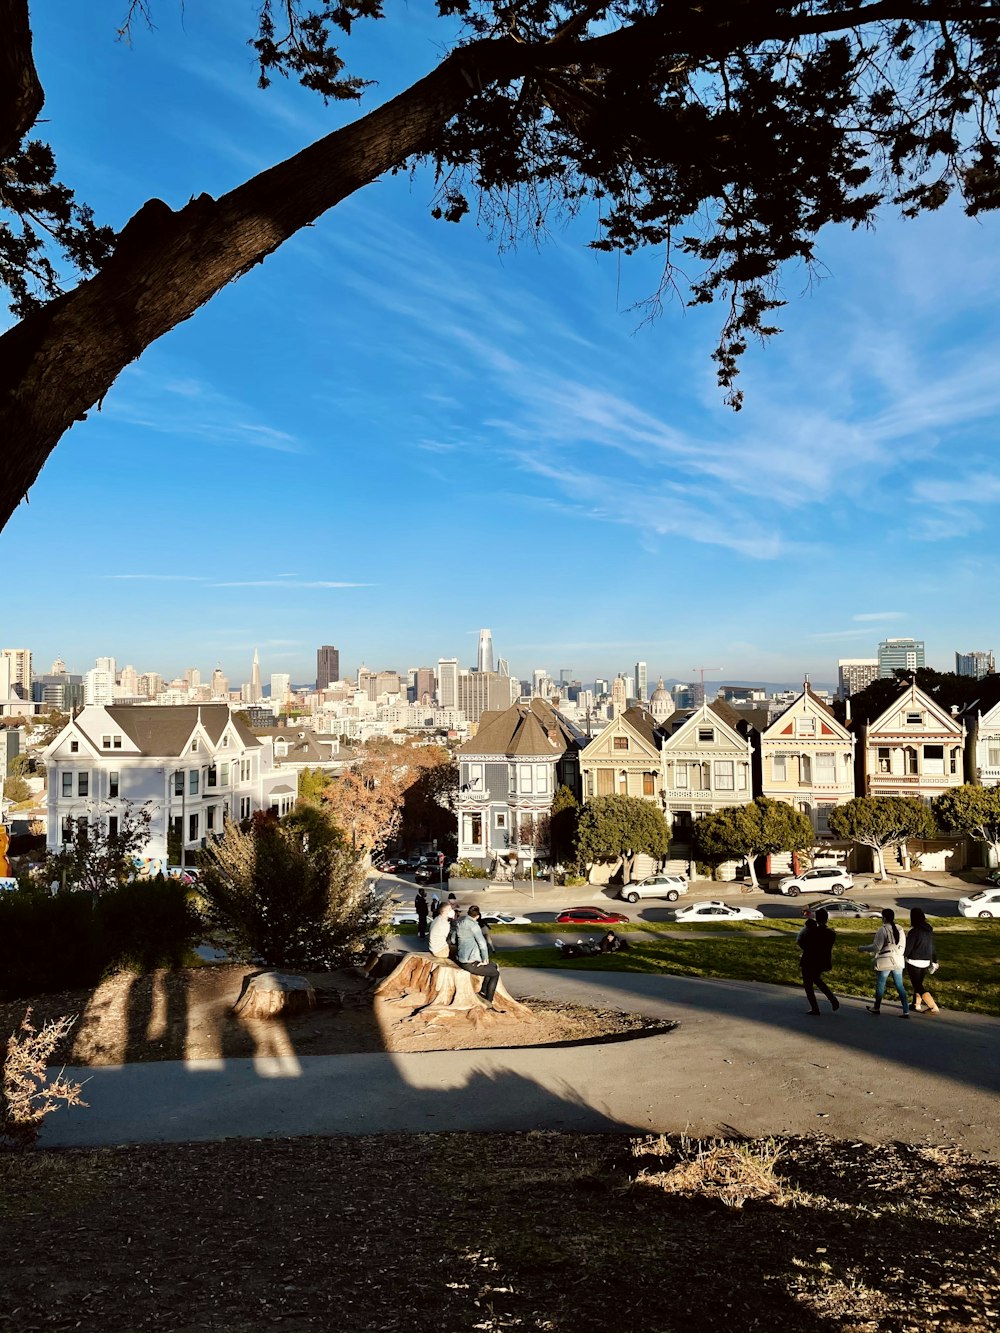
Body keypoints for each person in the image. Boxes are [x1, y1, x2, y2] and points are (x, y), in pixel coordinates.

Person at [858, 907, 909, 1016]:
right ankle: (906, 1010)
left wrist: (862, 948)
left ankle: (877, 1007)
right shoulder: (900, 929)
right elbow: (903, 946)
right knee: (900, 986)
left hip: (886, 961)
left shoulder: (882, 929)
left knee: (881, 984)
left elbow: (876, 947)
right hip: (898, 960)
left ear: (884, 918)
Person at [453, 905, 501, 1005]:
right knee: (495, 974)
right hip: (470, 962)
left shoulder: (460, 923)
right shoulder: (474, 926)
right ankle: (489, 1001)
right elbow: (482, 944)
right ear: (478, 916)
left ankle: (483, 991)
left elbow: (453, 939)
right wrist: (484, 959)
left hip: (461, 958)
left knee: (493, 966)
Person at [797, 908, 840, 1015]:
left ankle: (815, 1008)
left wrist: (808, 928)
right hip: (821, 961)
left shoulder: (811, 932)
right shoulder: (831, 934)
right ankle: (832, 999)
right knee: (817, 979)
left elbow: (802, 943)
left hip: (809, 960)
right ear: (826, 919)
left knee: (808, 985)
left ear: (816, 918)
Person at [904, 907, 940, 1013]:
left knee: (918, 985)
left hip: (913, 961)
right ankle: (916, 1004)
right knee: (919, 983)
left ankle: (933, 1007)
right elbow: (931, 946)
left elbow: (908, 948)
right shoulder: (929, 929)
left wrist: (902, 957)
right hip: (926, 961)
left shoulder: (914, 932)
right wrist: (934, 960)